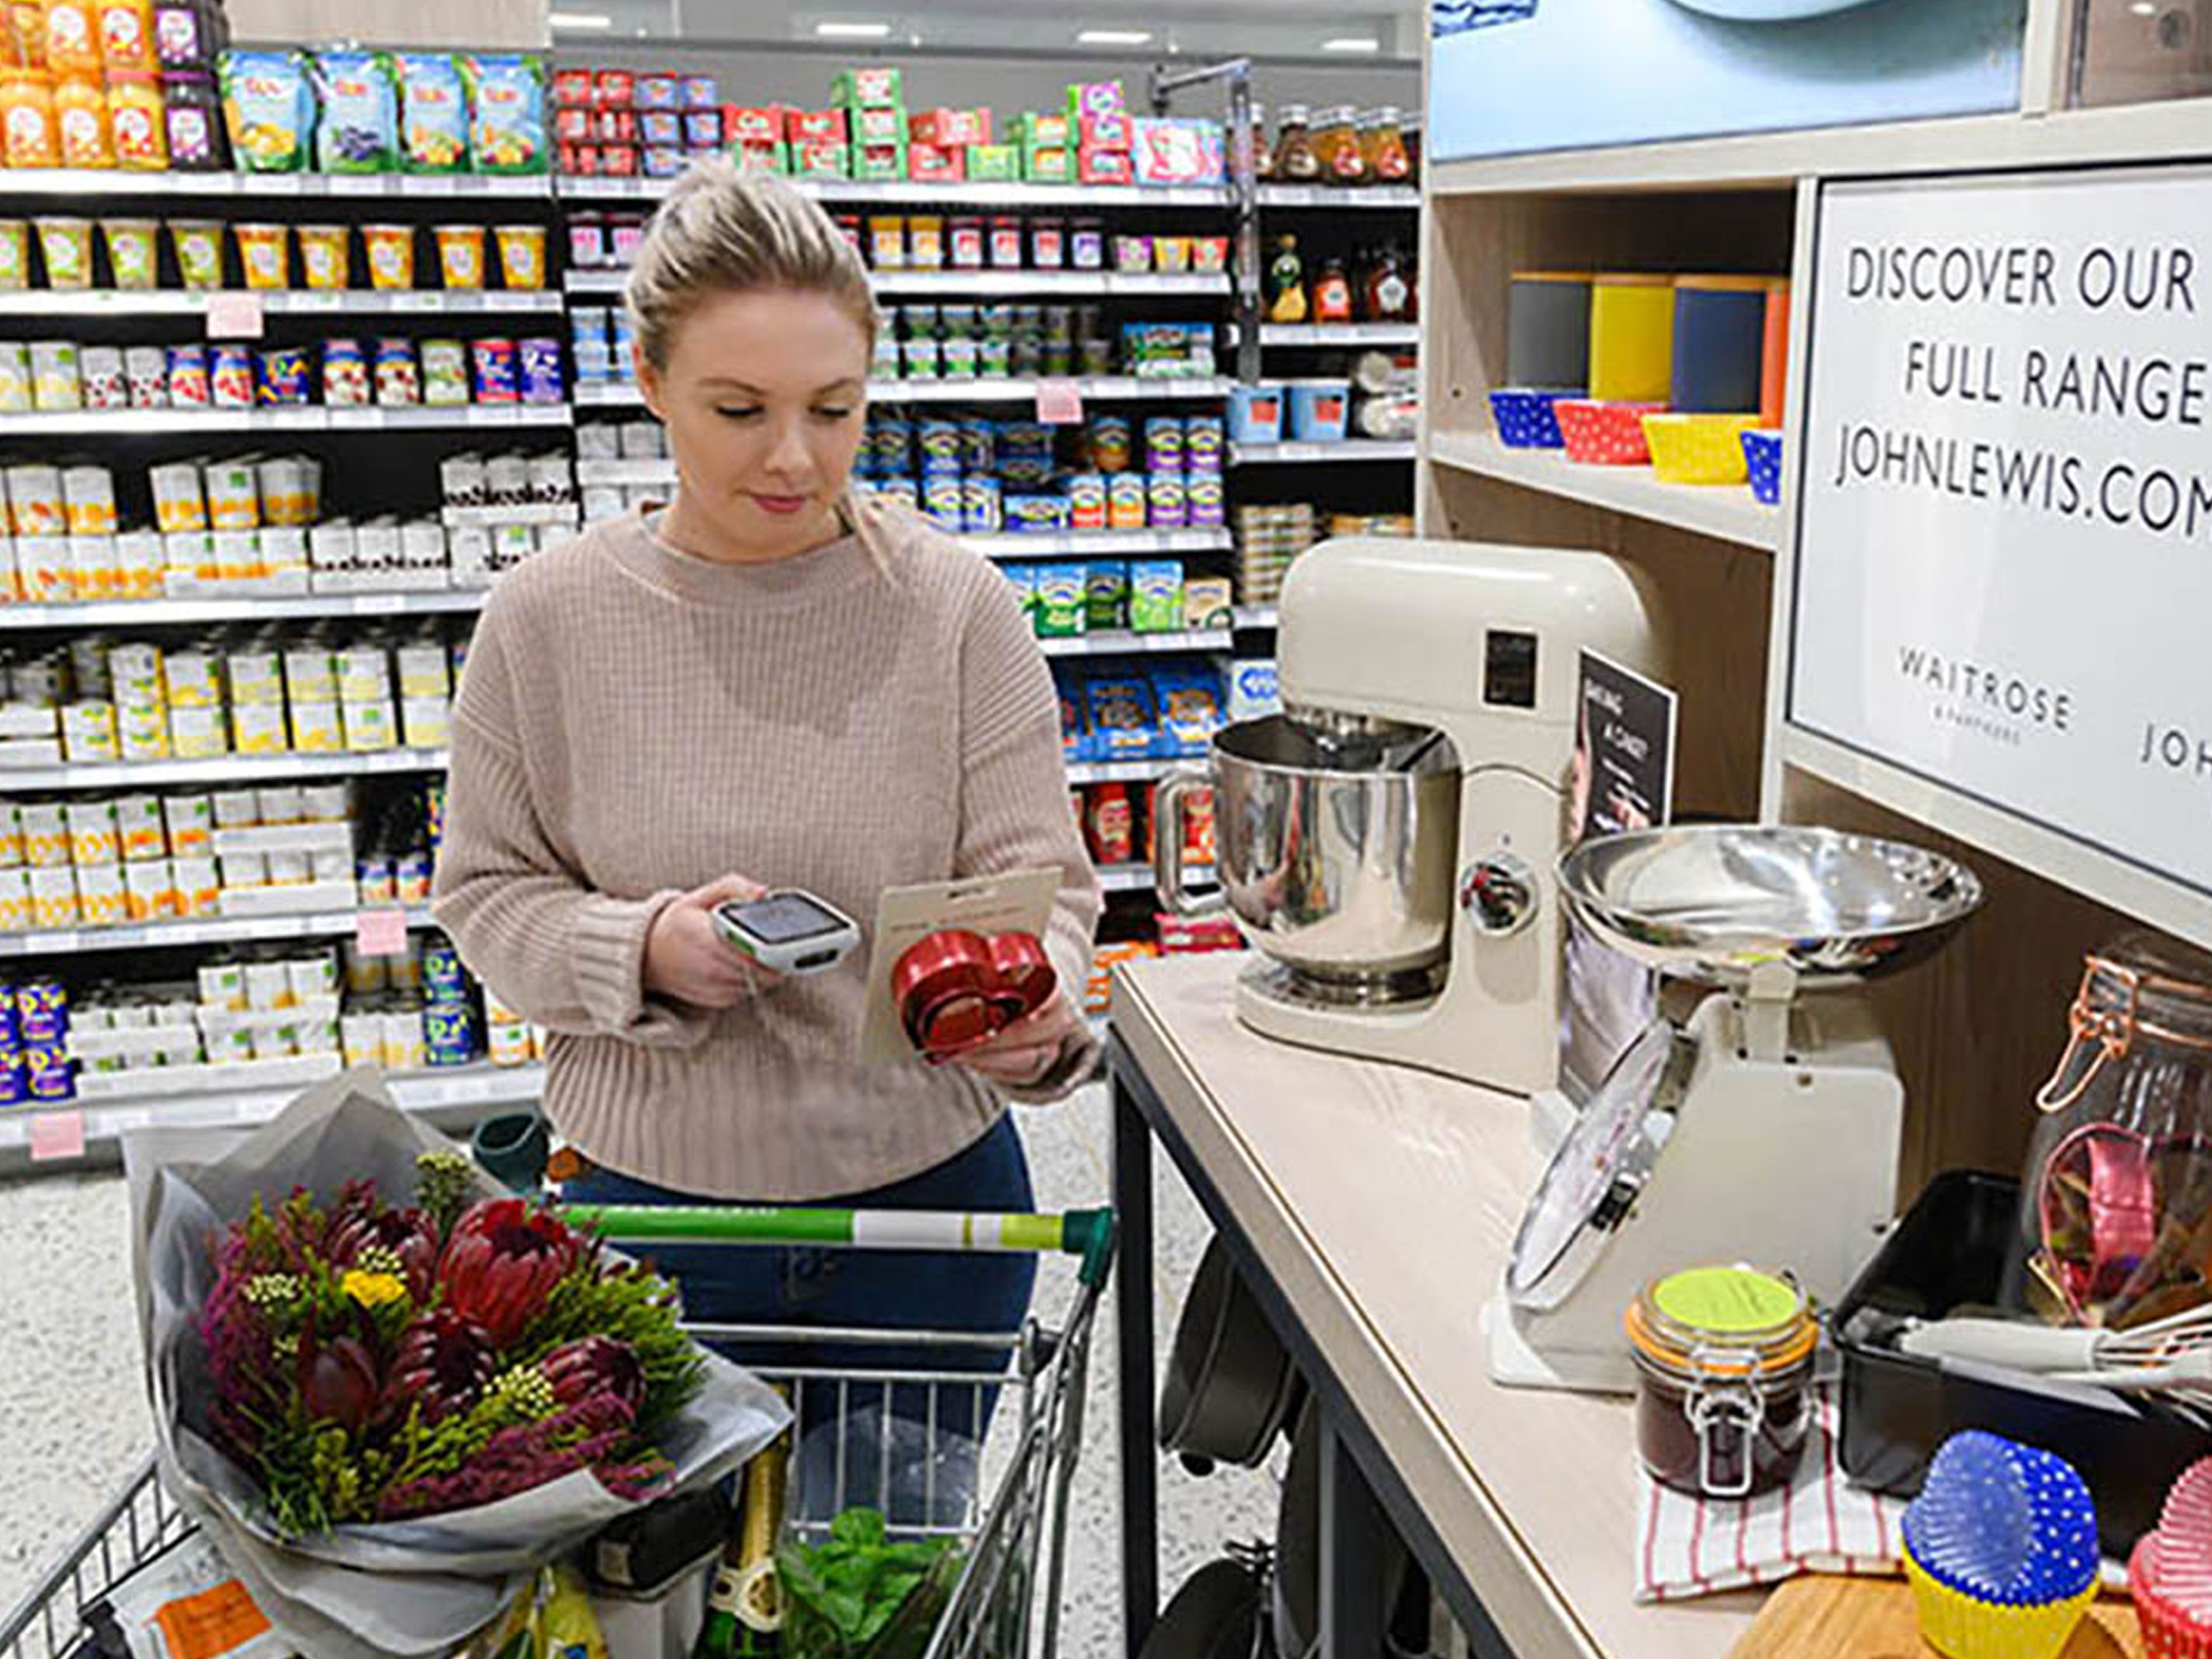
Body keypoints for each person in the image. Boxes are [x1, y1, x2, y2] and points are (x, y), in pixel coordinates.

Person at [431, 159, 1102, 1517]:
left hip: (930, 1219)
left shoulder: (957, 611)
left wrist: (1040, 1015)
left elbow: (1053, 896)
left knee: (889, 1583)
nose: (794, 458)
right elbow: (486, 898)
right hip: (648, 1228)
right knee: (667, 1594)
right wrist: (645, 948)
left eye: (834, 410)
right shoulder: (547, 619)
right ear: (650, 380)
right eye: (739, 410)